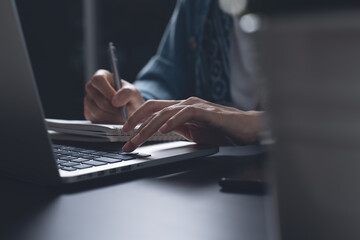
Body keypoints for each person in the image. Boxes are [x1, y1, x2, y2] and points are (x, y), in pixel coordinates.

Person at [84, 0, 264, 152]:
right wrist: (132, 104)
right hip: (215, 170)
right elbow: (167, 76)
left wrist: (261, 124)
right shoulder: (199, 5)